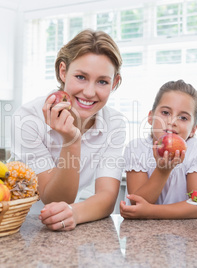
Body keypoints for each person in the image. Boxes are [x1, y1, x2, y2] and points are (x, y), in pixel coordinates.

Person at [11, 29, 126, 231]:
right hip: (22, 226)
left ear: (114, 82)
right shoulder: (27, 118)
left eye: (102, 81)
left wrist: (76, 212)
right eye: (81, 77)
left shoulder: (114, 123)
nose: (89, 92)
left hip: (69, 225)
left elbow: (107, 197)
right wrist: (72, 140)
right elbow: (53, 198)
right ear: (63, 72)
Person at [120, 80, 197, 219]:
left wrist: (151, 211)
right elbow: (136, 201)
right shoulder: (136, 149)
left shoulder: (195, 150)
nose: (172, 121)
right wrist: (163, 171)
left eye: (183, 117)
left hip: (185, 233)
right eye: (166, 112)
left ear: (193, 129)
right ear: (150, 117)